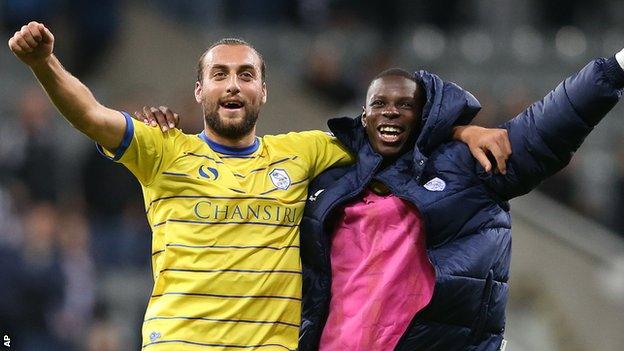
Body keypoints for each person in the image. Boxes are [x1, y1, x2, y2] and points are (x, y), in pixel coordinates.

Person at [8, 21, 509, 350]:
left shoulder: (305, 151)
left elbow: (391, 130)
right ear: (200, 90)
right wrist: (43, 64)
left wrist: (466, 129)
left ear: (263, 91)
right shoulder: (163, 150)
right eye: (220, 74)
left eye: (246, 74)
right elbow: (92, 115)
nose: (233, 84)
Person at [297, 51, 624, 350]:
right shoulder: (331, 177)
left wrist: (614, 69)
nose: (392, 112)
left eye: (405, 104)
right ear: (363, 115)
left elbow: (544, 128)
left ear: (423, 115)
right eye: (380, 103)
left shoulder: (467, 163)